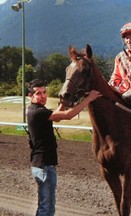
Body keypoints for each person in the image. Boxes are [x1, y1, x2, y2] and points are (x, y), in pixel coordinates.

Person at [27, 79, 101, 216]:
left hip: (42, 164)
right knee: (47, 207)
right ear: (30, 96)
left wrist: (63, 104)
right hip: (44, 165)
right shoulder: (37, 112)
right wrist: (88, 99)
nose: (43, 96)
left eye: (44, 92)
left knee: (47, 206)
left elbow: (56, 117)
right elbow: (69, 115)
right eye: (38, 93)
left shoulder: (37, 110)